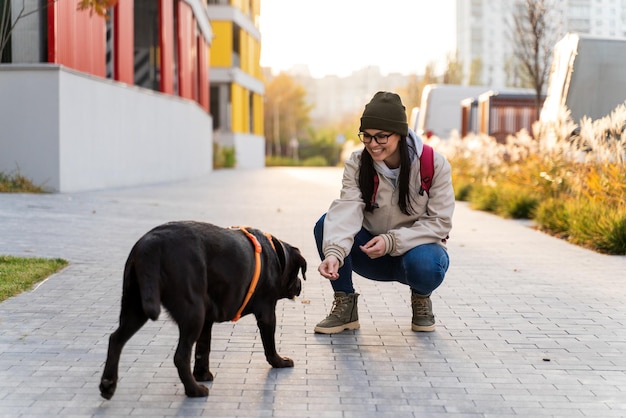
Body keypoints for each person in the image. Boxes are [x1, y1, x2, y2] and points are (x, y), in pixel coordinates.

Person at [313, 91, 454, 334]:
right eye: (366, 136)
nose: (372, 144)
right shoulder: (358, 163)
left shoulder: (433, 164)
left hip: (413, 254)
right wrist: (334, 253)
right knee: (325, 224)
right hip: (371, 253)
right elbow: (347, 209)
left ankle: (421, 298)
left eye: (381, 137)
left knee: (425, 266)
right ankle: (345, 306)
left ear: (399, 134)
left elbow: (440, 222)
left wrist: (392, 241)